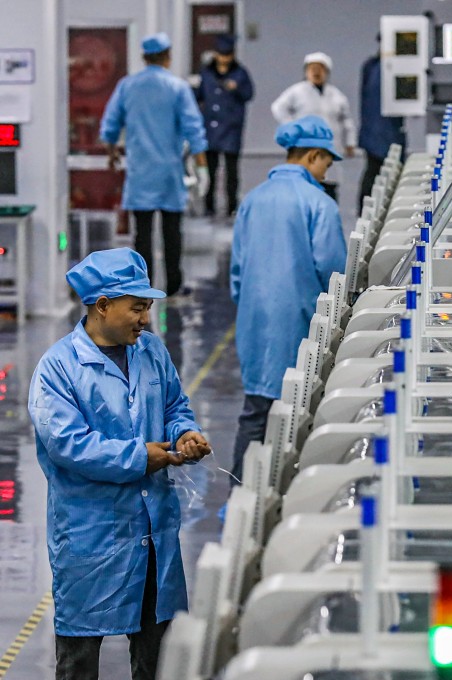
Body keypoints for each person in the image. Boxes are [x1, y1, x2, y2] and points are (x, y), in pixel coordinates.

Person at [28, 248, 212, 680]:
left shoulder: (151, 352)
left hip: (152, 529)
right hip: (91, 532)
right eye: (137, 308)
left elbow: (174, 405)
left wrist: (184, 432)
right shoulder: (58, 368)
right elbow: (69, 445)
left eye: (147, 308)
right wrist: (140, 457)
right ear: (102, 305)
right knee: (79, 659)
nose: (145, 319)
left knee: (156, 655)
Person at [229, 116, 347, 483]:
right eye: (326, 162)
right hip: (298, 324)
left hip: (254, 323)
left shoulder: (252, 200)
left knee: (255, 413)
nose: (326, 172)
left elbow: (237, 270)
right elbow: (334, 273)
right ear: (312, 156)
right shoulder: (319, 204)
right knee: (295, 415)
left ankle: (238, 496)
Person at [100, 32, 209, 298]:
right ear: (168, 56)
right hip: (169, 171)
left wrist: (112, 151)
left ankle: (141, 288)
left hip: (141, 171)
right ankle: (173, 285)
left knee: (142, 233)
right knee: (172, 231)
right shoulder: (177, 87)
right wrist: (202, 165)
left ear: (144, 57)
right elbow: (193, 127)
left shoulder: (127, 86)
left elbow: (111, 123)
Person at [270, 52, 356, 199]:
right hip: (305, 147)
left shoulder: (336, 95)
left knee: (329, 186)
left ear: (327, 72)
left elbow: (346, 119)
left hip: (330, 147)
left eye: (320, 69)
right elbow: (278, 108)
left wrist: (350, 142)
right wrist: (294, 128)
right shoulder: (297, 91)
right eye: (312, 68)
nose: (316, 72)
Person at [194, 34, 254, 217]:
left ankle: (231, 205)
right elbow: (198, 95)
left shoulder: (240, 73)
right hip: (210, 128)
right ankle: (209, 205)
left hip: (231, 128)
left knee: (231, 171)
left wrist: (237, 88)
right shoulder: (206, 73)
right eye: (221, 54)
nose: (224, 59)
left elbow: (249, 94)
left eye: (227, 55)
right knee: (210, 170)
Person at [357, 47, 405, 211]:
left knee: (376, 173)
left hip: (379, 133)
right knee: (376, 173)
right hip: (380, 134)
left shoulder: (373, 68)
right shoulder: (377, 69)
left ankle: (366, 212)